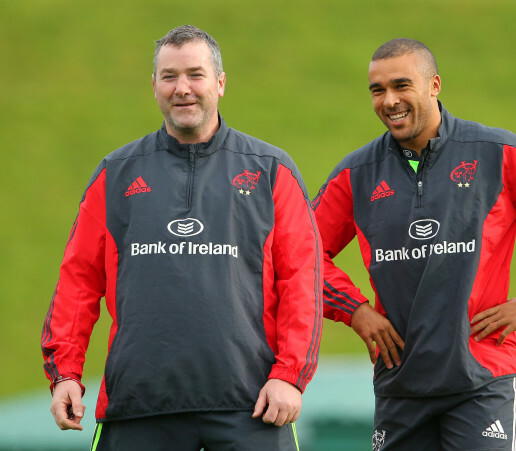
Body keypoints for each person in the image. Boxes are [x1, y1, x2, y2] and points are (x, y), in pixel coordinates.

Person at [312, 38, 516, 451]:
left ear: (434, 86)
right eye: (377, 90)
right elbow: (299, 250)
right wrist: (353, 310)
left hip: (482, 382)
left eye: (401, 85)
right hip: (401, 384)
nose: (389, 101)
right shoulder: (356, 174)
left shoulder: (493, 152)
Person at [41, 25, 322, 451]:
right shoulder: (116, 173)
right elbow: (78, 280)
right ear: (154, 86)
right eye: (169, 77)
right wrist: (65, 373)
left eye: (195, 74)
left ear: (220, 83)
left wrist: (290, 376)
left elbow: (302, 281)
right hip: (139, 409)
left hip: (252, 407)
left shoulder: (270, 170)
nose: (182, 89)